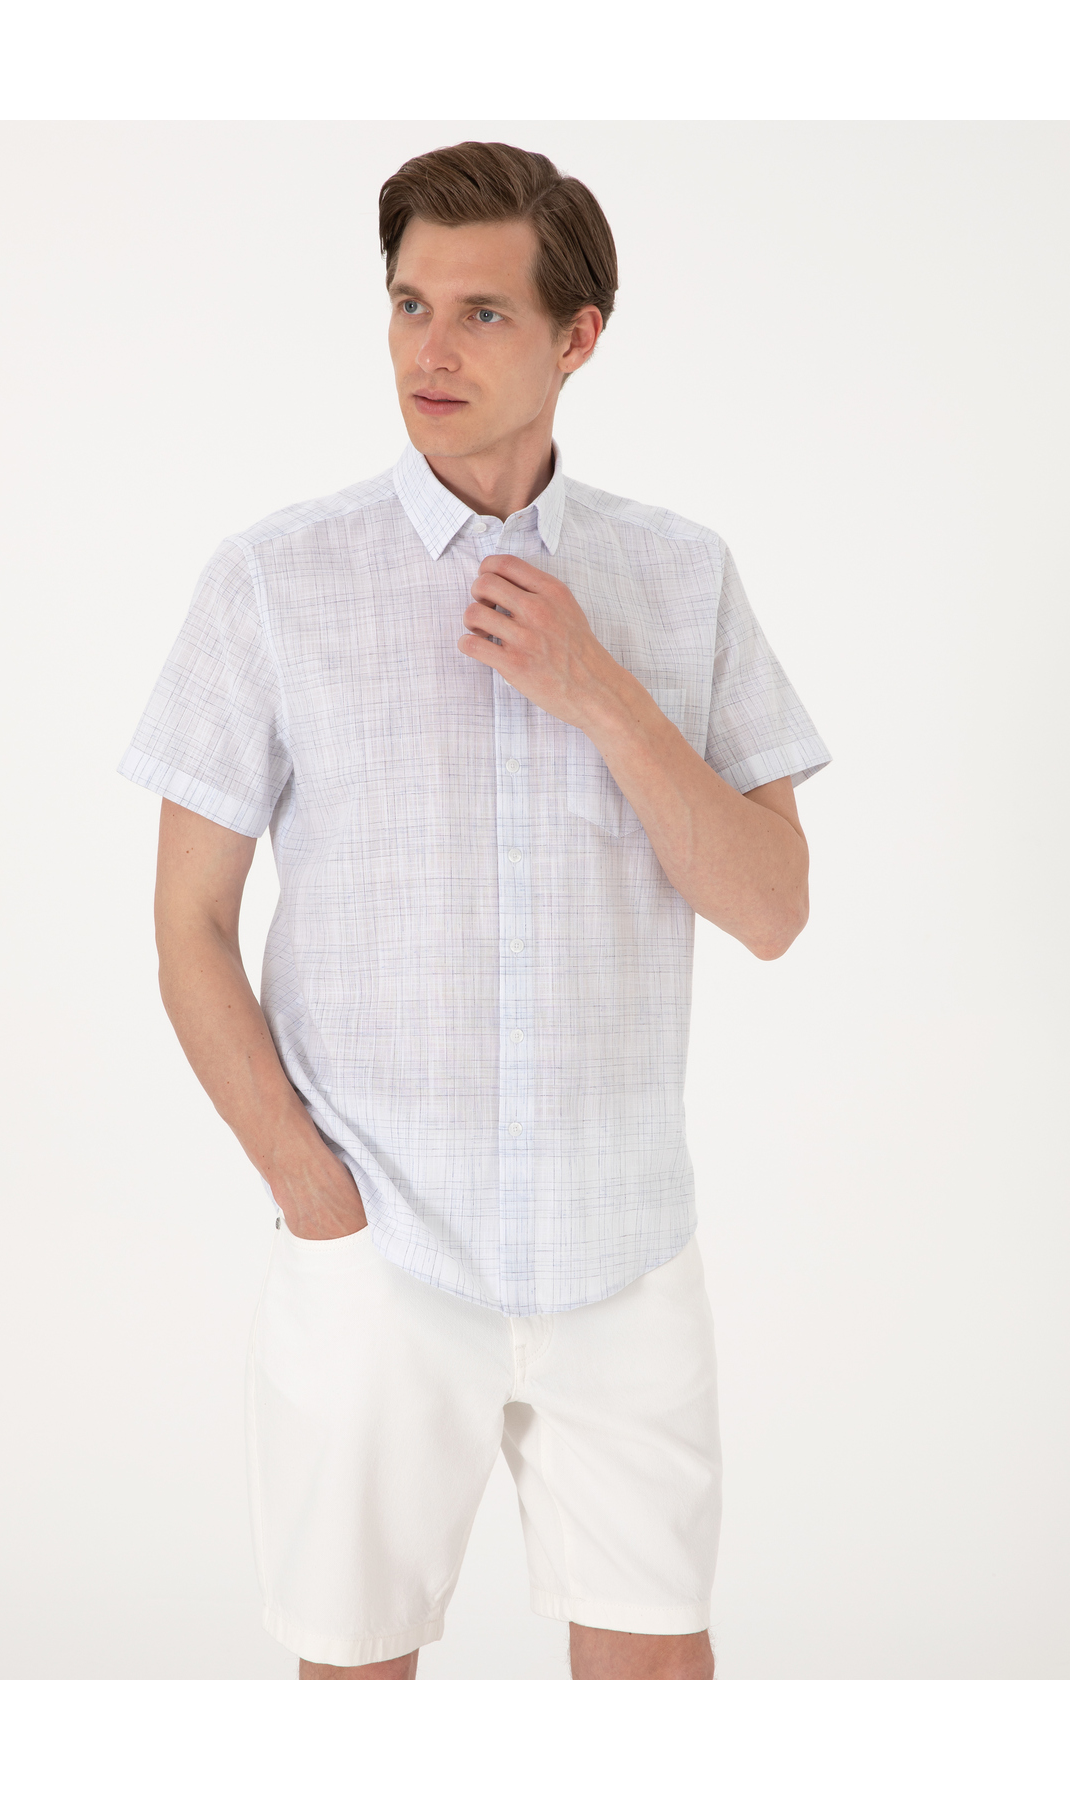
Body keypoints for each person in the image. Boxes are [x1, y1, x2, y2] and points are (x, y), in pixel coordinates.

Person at [119, 140, 831, 1681]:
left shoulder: (680, 576)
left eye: (483, 313)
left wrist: (603, 694)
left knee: (657, 1682)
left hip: (625, 1243)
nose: (429, 351)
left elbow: (775, 906)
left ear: (580, 337)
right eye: (408, 306)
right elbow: (189, 926)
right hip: (378, 1242)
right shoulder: (274, 581)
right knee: (355, 1684)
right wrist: (312, 1190)